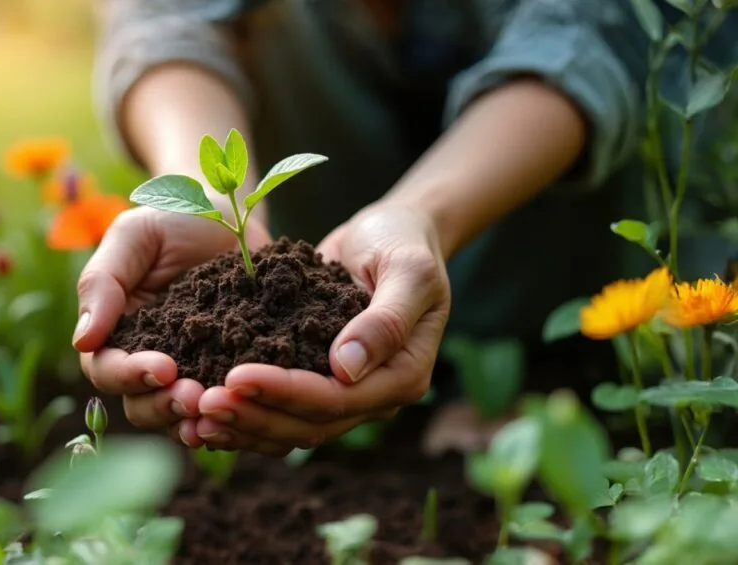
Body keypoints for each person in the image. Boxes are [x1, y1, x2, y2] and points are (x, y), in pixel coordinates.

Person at [70, 0, 697, 457]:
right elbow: (165, 20)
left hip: (546, 232)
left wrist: (422, 217)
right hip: (324, 213)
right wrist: (203, 193)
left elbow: (592, 31)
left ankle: (531, 364)